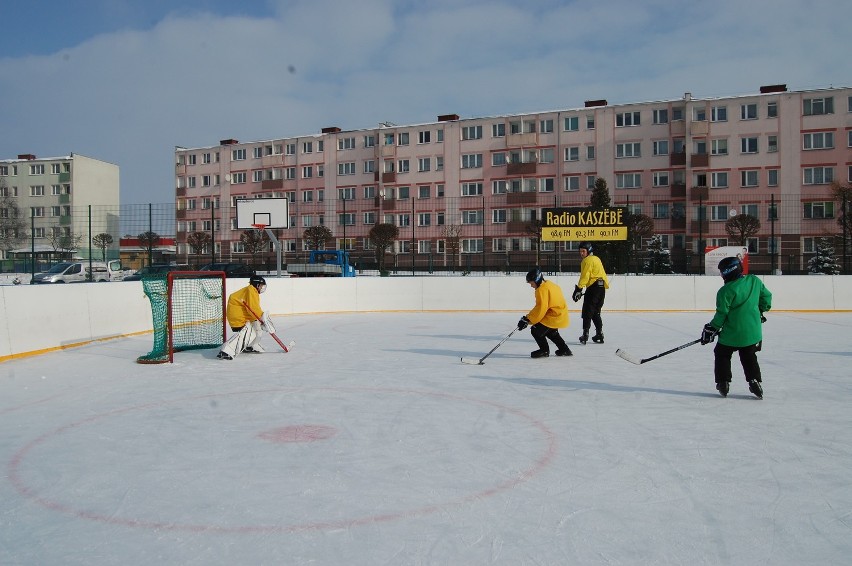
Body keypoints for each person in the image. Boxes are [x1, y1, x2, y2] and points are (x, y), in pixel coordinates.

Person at [700, 256, 772, 398]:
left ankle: (723, 382)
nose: (721, 275)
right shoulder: (754, 280)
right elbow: (766, 298)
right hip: (752, 332)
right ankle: (754, 381)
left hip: (731, 334)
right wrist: (761, 312)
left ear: (728, 271)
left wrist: (711, 328)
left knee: (722, 354)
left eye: (722, 272)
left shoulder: (725, 291)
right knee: (749, 356)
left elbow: (721, 315)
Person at [517, 267, 572, 358]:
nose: (531, 285)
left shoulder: (541, 290)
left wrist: (528, 319)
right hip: (559, 314)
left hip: (554, 316)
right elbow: (543, 308)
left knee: (536, 330)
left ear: (537, 280)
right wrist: (528, 318)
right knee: (550, 331)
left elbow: (540, 308)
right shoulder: (548, 284)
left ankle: (544, 350)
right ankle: (564, 349)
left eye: (531, 283)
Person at [217, 275, 275, 360]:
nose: (262, 288)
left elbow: (253, 308)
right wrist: (262, 318)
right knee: (249, 331)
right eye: (262, 285)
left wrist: (261, 319)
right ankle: (226, 351)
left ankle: (250, 346)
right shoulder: (251, 290)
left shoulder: (252, 291)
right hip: (238, 316)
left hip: (243, 315)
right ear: (257, 284)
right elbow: (253, 308)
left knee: (257, 328)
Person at [572, 241, 609, 344]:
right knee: (596, 312)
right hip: (601, 287)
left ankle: (585, 334)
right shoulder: (597, 259)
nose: (581, 253)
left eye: (583, 251)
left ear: (589, 251)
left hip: (593, 287)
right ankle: (599, 334)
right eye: (580, 251)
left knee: (587, 311)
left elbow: (585, 276)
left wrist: (578, 289)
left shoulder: (586, 261)